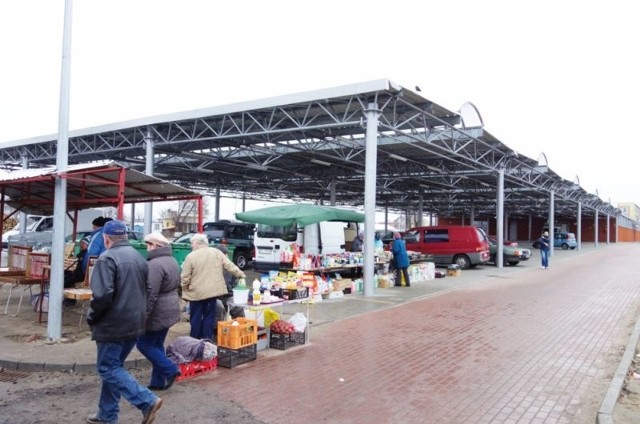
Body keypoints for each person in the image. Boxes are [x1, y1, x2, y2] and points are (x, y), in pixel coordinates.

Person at [86, 220, 163, 424]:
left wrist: (91, 317)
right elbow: (147, 290)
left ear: (106, 238)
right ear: (126, 237)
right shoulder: (138, 257)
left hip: (113, 325)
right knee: (114, 367)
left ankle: (147, 401)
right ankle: (107, 414)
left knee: (108, 368)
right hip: (134, 324)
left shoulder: (106, 258)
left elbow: (102, 296)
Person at [137, 233, 182, 392]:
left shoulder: (154, 265)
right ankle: (157, 381)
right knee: (156, 344)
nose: (146, 247)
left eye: (148, 243)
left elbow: (151, 293)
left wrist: (143, 315)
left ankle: (170, 369)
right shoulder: (172, 260)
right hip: (170, 307)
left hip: (158, 311)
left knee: (144, 344)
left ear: (156, 246)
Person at [181, 233, 246, 341]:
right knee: (209, 317)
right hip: (212, 293)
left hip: (196, 293)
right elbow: (229, 265)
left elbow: (185, 277)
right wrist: (241, 274)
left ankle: (194, 342)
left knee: (196, 318)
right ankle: (207, 341)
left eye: (192, 243)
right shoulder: (216, 252)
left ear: (198, 243)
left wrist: (185, 290)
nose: (191, 245)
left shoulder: (190, 256)